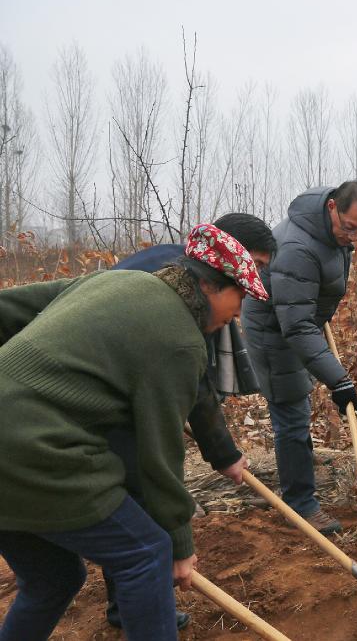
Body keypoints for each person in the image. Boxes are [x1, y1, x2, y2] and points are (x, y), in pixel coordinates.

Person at [0, 223, 268, 641]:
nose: (238, 315)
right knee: (146, 553)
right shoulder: (180, 340)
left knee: (53, 578)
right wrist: (179, 545)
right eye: (240, 298)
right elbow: (159, 454)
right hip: (36, 449)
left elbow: (8, 308)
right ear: (209, 285)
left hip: (17, 446)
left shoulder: (115, 282)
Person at [103, 212, 275, 630]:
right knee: (139, 502)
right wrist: (181, 545)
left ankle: (128, 606)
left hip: (113, 387)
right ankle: (138, 608)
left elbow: (194, 380)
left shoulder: (193, 281)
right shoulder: (178, 287)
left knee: (133, 502)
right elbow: (164, 440)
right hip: (96, 398)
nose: (252, 279)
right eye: (252, 265)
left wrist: (224, 454)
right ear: (223, 253)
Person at [242, 181, 357, 534]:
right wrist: (340, 381)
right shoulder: (297, 248)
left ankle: (298, 467)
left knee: (297, 408)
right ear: (332, 207)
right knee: (291, 413)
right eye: (350, 227)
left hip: (298, 320)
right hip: (274, 330)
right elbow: (296, 325)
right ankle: (299, 504)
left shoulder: (331, 231)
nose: (354, 238)